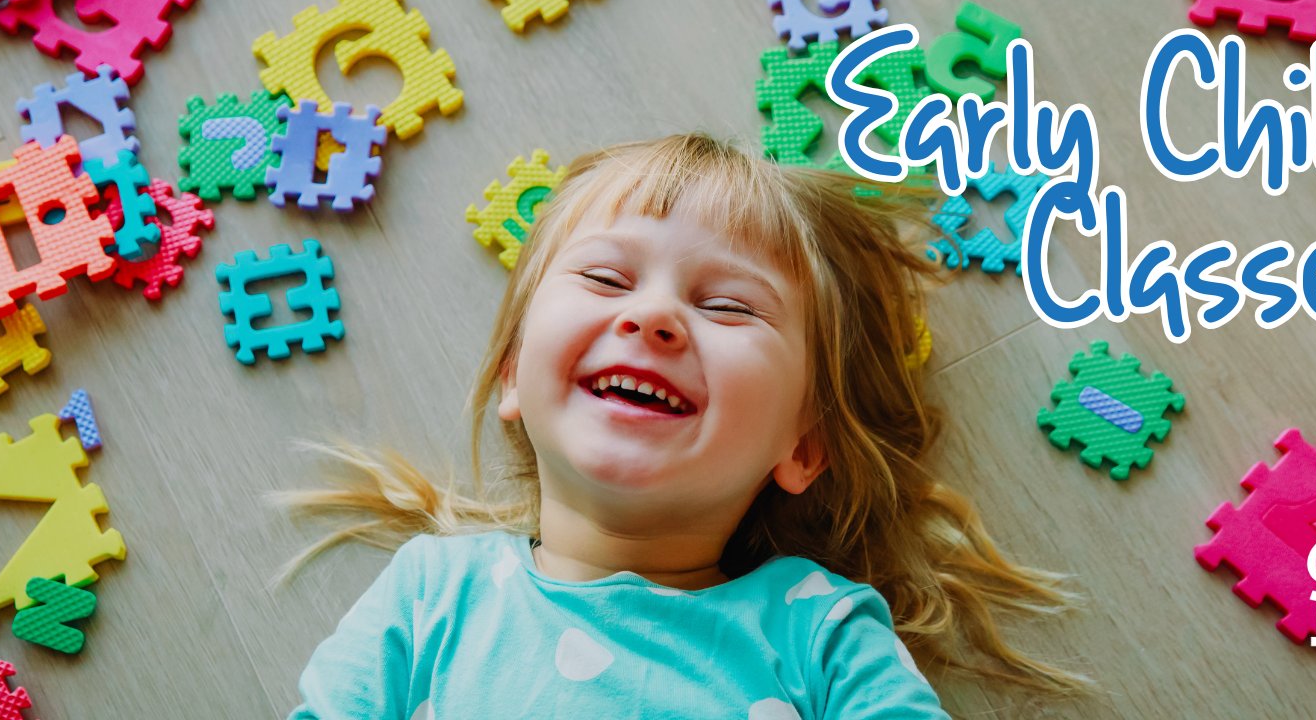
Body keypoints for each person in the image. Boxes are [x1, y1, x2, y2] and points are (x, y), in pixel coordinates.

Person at [283, 134, 1084, 718]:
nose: (654, 315)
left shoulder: (820, 632)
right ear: (513, 374)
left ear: (803, 447)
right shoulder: (433, 595)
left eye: (729, 306)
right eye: (606, 277)